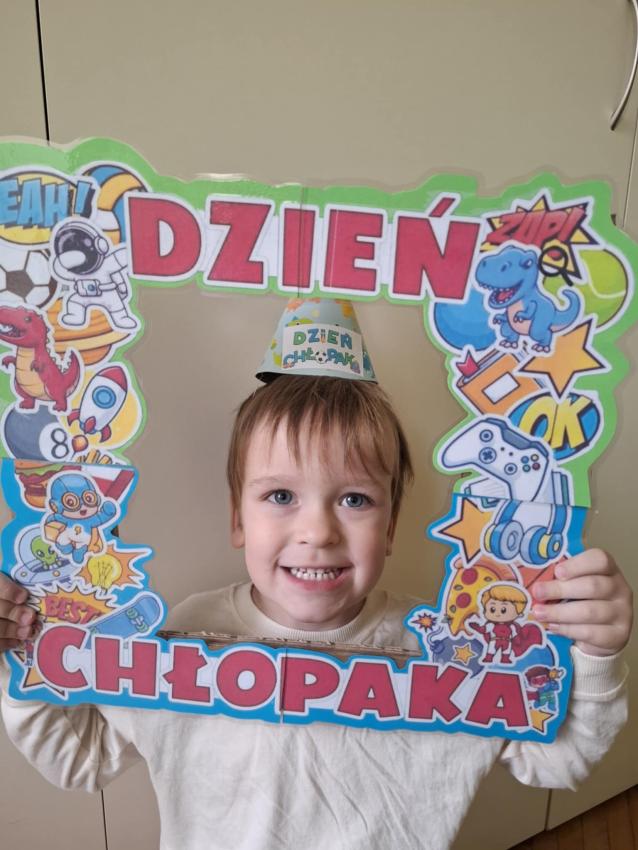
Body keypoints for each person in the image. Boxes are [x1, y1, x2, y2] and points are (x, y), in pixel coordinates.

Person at [0, 303, 633, 850]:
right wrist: (20, 646)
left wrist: (596, 654)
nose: (318, 531)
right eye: (280, 496)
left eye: (355, 499)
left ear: (390, 526)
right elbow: (78, 758)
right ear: (237, 518)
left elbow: (556, 761)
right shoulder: (182, 635)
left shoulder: (451, 648)